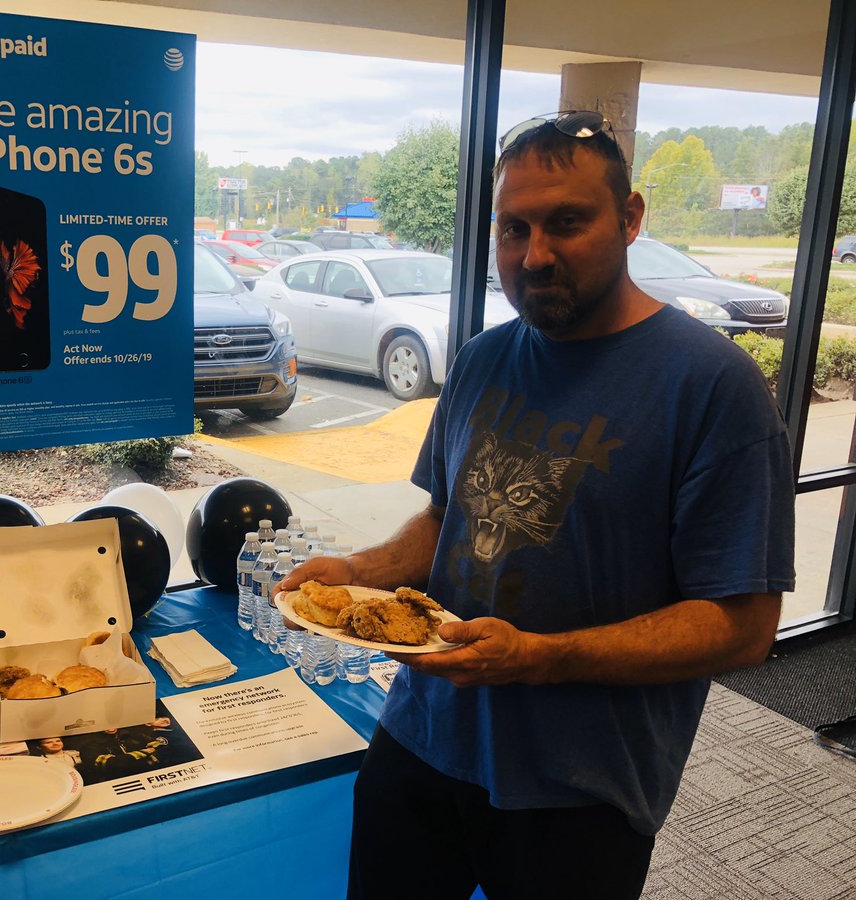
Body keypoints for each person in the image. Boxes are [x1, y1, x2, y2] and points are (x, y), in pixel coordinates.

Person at [280, 110, 795, 899]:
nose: (535, 254)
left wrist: (543, 658)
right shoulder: (485, 358)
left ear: (629, 220)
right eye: (513, 228)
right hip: (423, 733)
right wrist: (354, 572)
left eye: (567, 223)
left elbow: (742, 624)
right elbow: (450, 523)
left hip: (581, 787)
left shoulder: (712, 387)